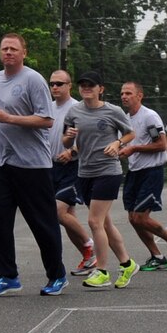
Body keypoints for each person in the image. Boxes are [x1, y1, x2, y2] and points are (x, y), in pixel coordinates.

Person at [0, 34, 69, 296]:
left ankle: (57, 275)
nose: (8, 52)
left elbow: (46, 120)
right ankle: (7, 275)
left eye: (13, 49)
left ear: (23, 53)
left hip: (32, 164)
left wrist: (9, 118)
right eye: (4, 48)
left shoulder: (33, 79)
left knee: (42, 223)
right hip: (1, 161)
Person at [65, 71, 135, 288]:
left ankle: (102, 271)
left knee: (94, 221)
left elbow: (130, 133)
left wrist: (117, 143)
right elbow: (66, 142)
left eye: (91, 85)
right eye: (83, 85)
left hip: (108, 171)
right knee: (104, 222)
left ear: (100, 89)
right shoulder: (74, 111)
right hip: (85, 172)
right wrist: (68, 139)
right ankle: (127, 263)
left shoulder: (112, 111)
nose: (86, 88)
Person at [116, 81, 167, 271]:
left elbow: (161, 144)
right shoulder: (124, 119)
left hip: (151, 171)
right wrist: (120, 148)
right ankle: (157, 255)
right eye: (122, 93)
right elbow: (124, 142)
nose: (124, 96)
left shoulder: (149, 117)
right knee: (133, 218)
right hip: (134, 172)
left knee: (140, 216)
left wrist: (134, 148)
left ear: (139, 95)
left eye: (128, 93)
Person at [47, 70, 99, 275]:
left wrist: (72, 151)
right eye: (52, 84)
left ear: (69, 86)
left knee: (58, 211)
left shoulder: (78, 109)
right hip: (50, 167)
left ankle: (89, 244)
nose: (55, 87)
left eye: (60, 83)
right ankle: (89, 258)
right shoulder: (48, 108)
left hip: (73, 167)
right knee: (68, 217)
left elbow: (88, 139)